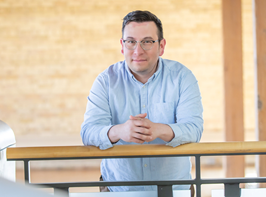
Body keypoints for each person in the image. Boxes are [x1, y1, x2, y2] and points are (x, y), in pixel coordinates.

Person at [80, 10, 203, 196]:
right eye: (131, 42)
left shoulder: (182, 77)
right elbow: (88, 132)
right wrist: (119, 131)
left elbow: (194, 128)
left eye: (147, 41)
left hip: (175, 191)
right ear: (122, 45)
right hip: (118, 191)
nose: (138, 51)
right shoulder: (105, 81)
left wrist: (159, 130)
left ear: (161, 46)